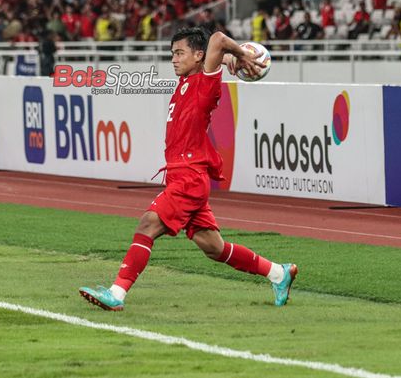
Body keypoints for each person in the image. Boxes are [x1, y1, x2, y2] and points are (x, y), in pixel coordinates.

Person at [79, 27, 298, 311]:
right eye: (172, 53)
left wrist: (240, 54)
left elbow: (217, 39)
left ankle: (117, 293)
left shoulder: (204, 84)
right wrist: (228, 58)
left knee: (148, 224)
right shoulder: (187, 80)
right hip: (182, 175)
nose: (173, 59)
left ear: (198, 55)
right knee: (213, 247)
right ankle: (278, 273)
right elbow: (216, 52)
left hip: (189, 177)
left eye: (179, 53)